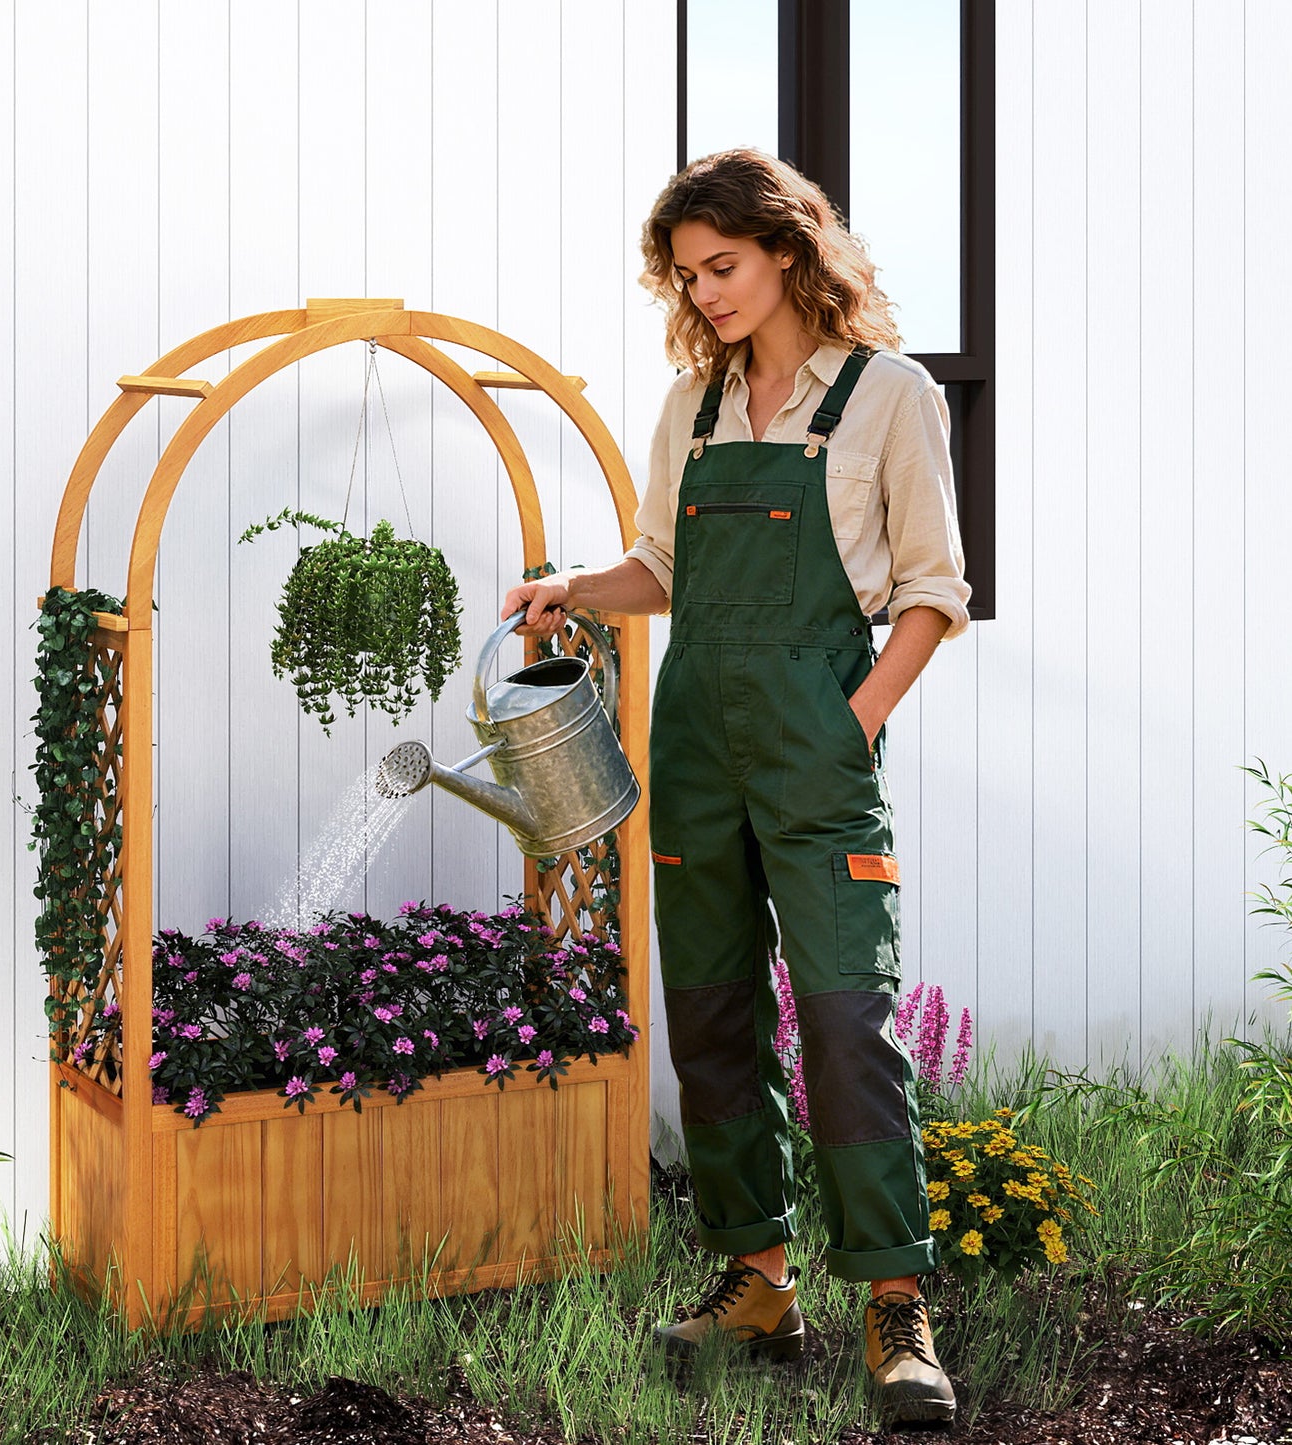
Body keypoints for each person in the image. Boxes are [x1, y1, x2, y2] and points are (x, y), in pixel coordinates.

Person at [501, 148, 970, 1426]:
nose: (704, 293)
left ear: (787, 252)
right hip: (698, 744)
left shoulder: (888, 397)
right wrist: (573, 591)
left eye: (723, 266)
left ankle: (891, 1302)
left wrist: (854, 720)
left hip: (815, 743)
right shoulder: (690, 404)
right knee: (708, 1015)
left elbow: (933, 592)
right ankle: (756, 1275)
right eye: (685, 275)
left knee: (842, 1023)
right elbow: (663, 564)